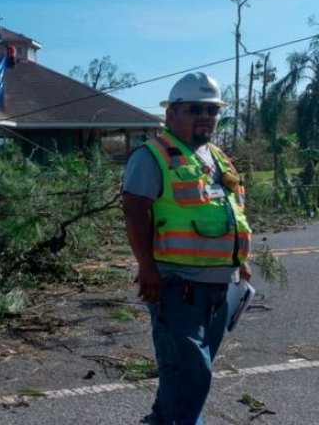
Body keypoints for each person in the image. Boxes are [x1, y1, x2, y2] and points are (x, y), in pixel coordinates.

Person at [122, 72, 252, 425]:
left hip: (220, 286)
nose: (206, 117)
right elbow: (134, 211)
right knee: (191, 370)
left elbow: (230, 212)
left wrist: (240, 260)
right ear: (172, 113)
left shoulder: (217, 158)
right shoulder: (153, 156)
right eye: (196, 109)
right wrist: (147, 268)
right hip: (177, 283)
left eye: (212, 110)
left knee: (188, 369)